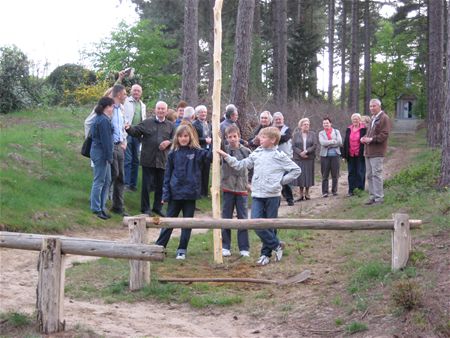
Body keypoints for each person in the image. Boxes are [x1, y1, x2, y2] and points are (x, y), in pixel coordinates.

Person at [217, 127, 301, 266]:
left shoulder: (279, 156)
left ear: (273, 140)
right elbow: (240, 165)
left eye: (263, 137)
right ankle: (277, 245)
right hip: (257, 195)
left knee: (269, 225)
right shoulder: (257, 153)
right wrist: (226, 156)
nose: (259, 139)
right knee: (256, 224)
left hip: (272, 195)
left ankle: (265, 255)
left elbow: (296, 170)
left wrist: (281, 181)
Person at [155, 125, 212, 260]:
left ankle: (182, 249)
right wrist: (165, 194)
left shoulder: (197, 152)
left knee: (187, 224)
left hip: (190, 194)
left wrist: (215, 141)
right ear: (177, 138)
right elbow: (167, 175)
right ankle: (159, 247)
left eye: (186, 136)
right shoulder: (173, 154)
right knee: (169, 222)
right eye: (180, 136)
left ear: (190, 137)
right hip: (175, 193)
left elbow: (210, 157)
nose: (183, 139)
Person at [125, 101, 173, 216]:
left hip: (162, 160)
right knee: (146, 186)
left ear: (166, 111)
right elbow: (135, 131)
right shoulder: (147, 122)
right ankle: (145, 208)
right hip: (148, 159)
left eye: (163, 109)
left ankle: (158, 207)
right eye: (159, 109)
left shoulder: (171, 125)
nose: (161, 111)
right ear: (155, 110)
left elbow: (176, 139)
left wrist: (169, 142)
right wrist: (128, 128)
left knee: (161, 185)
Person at [220, 125, 251, 258]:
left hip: (242, 188)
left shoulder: (246, 151)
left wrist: (249, 183)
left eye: (235, 136)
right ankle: (225, 246)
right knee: (226, 217)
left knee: (242, 218)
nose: (232, 139)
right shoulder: (223, 150)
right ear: (226, 138)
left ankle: (244, 247)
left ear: (239, 136)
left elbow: (251, 167)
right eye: (229, 137)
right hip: (228, 187)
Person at [361, 99, 391, 205]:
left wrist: (371, 139)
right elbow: (369, 134)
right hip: (368, 152)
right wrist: (364, 138)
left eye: (374, 106)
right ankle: (372, 197)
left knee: (376, 175)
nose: (372, 108)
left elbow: (384, 135)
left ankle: (379, 198)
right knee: (369, 175)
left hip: (377, 152)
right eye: (370, 106)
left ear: (379, 106)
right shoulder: (373, 118)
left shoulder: (384, 118)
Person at [89, 97, 115, 220]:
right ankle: (96, 208)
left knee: (107, 180)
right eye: (112, 106)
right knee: (99, 181)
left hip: (100, 153)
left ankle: (102, 206)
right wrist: (109, 156)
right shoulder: (103, 120)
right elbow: (106, 141)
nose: (113, 109)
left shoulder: (101, 118)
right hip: (101, 154)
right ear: (107, 107)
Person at [123, 84, 147, 192]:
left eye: (138, 91)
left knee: (136, 160)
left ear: (141, 93)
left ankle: (133, 184)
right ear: (131, 91)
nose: (136, 92)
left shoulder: (143, 105)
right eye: (134, 90)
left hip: (137, 134)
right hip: (127, 133)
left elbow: (144, 119)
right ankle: (126, 183)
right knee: (127, 159)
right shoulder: (126, 101)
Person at [110, 84, 128, 216]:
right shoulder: (108, 108)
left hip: (120, 146)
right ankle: (100, 205)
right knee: (112, 175)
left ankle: (118, 206)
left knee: (121, 176)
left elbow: (121, 127)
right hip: (110, 146)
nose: (126, 96)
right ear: (118, 94)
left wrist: (124, 141)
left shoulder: (121, 109)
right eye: (125, 93)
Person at [292, 118, 317, 201]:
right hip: (299, 158)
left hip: (309, 158)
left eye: (308, 124)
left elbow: (314, 145)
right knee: (301, 176)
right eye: (304, 124)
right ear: (301, 126)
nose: (306, 126)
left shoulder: (313, 134)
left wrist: (306, 151)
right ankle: (300, 194)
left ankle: (307, 193)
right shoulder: (296, 135)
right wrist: (301, 153)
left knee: (308, 175)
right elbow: (294, 146)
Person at [342, 113, 367, 196]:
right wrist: (344, 155)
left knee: (360, 172)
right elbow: (345, 142)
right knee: (351, 172)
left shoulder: (364, 129)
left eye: (356, 119)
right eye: (353, 119)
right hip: (350, 154)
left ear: (360, 120)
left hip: (360, 154)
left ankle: (360, 190)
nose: (355, 120)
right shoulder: (349, 129)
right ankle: (351, 190)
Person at [273, 112, 294, 206]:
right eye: (276, 119)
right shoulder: (271, 129)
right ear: (274, 120)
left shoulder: (288, 129)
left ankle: (290, 199)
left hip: (286, 158)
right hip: (274, 158)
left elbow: (285, 138)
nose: (278, 121)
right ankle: (277, 201)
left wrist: (274, 139)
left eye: (279, 119)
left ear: (283, 119)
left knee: (286, 179)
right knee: (276, 180)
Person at [318, 117, 343, 197]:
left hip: (335, 155)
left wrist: (328, 144)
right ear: (322, 124)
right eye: (324, 123)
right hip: (324, 156)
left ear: (330, 123)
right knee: (325, 175)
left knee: (335, 174)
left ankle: (334, 191)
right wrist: (332, 141)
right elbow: (322, 143)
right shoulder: (321, 133)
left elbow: (339, 142)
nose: (326, 124)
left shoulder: (336, 131)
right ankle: (325, 192)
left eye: (327, 123)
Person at [193, 105, 212, 197]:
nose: (203, 114)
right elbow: (194, 139)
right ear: (197, 114)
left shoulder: (208, 124)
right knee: (199, 172)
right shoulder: (194, 124)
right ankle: (198, 191)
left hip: (208, 151)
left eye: (205, 112)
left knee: (206, 171)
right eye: (201, 112)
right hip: (198, 151)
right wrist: (204, 140)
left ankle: (205, 192)